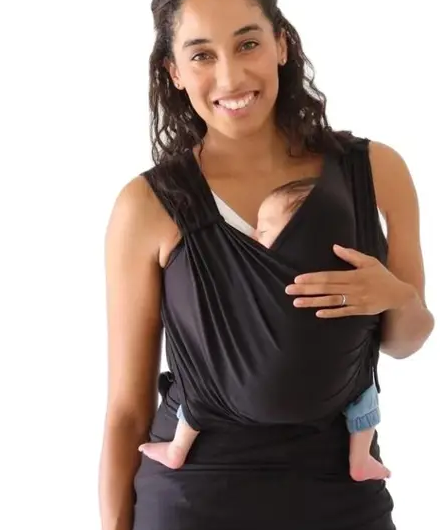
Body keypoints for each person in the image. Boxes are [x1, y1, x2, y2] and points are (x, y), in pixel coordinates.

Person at [99, 0, 435, 530]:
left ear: (282, 44)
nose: (230, 75)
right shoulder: (147, 207)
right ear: (174, 72)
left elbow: (407, 340)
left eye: (247, 43)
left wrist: (394, 296)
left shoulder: (375, 172)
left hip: (347, 527)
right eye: (202, 54)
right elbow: (125, 408)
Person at [138, 176, 391, 482]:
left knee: (199, 384)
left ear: (300, 237)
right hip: (327, 397)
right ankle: (360, 458)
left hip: (232, 397)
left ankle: (178, 448)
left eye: (265, 230)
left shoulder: (253, 282)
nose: (253, 235)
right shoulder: (348, 281)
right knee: (364, 386)